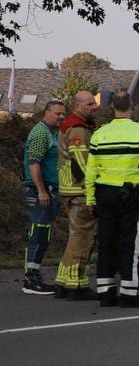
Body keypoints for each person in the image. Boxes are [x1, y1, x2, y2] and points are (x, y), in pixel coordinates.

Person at [84, 90, 139, 307]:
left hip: (104, 194)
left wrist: (90, 197)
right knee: (130, 243)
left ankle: (105, 292)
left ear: (112, 106)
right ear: (132, 106)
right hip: (131, 195)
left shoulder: (99, 134)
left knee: (106, 241)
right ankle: (130, 294)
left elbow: (91, 169)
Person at [54, 91, 98, 299]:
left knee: (75, 236)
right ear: (78, 106)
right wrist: (93, 191)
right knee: (82, 237)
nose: (94, 107)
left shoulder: (72, 126)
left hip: (70, 188)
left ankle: (63, 281)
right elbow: (83, 165)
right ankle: (76, 285)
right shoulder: (78, 129)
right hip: (80, 190)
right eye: (90, 104)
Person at [21, 99, 67, 294]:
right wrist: (41, 191)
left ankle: (33, 275)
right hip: (40, 190)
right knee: (38, 232)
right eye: (58, 114)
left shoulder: (52, 133)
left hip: (49, 189)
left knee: (43, 232)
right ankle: (31, 278)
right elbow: (33, 164)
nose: (61, 117)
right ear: (46, 113)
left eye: (63, 114)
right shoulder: (41, 133)